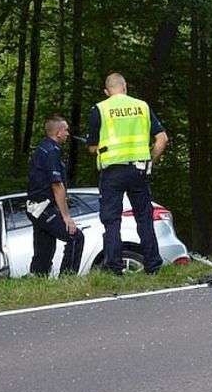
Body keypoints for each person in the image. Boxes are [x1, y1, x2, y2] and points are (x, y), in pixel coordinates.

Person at [86, 72, 169, 275]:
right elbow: (162, 139)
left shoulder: (100, 109)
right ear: (125, 87)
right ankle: (153, 266)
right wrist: (151, 160)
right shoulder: (142, 107)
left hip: (112, 173)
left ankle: (114, 268)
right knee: (144, 218)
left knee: (112, 221)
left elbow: (91, 147)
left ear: (107, 92)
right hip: (139, 170)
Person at [26, 116, 85, 276]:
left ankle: (38, 278)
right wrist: (66, 217)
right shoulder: (52, 151)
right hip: (44, 206)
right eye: (65, 130)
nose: (67, 134)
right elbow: (57, 185)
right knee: (75, 237)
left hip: (36, 206)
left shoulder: (42, 149)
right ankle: (68, 277)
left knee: (44, 246)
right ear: (58, 132)